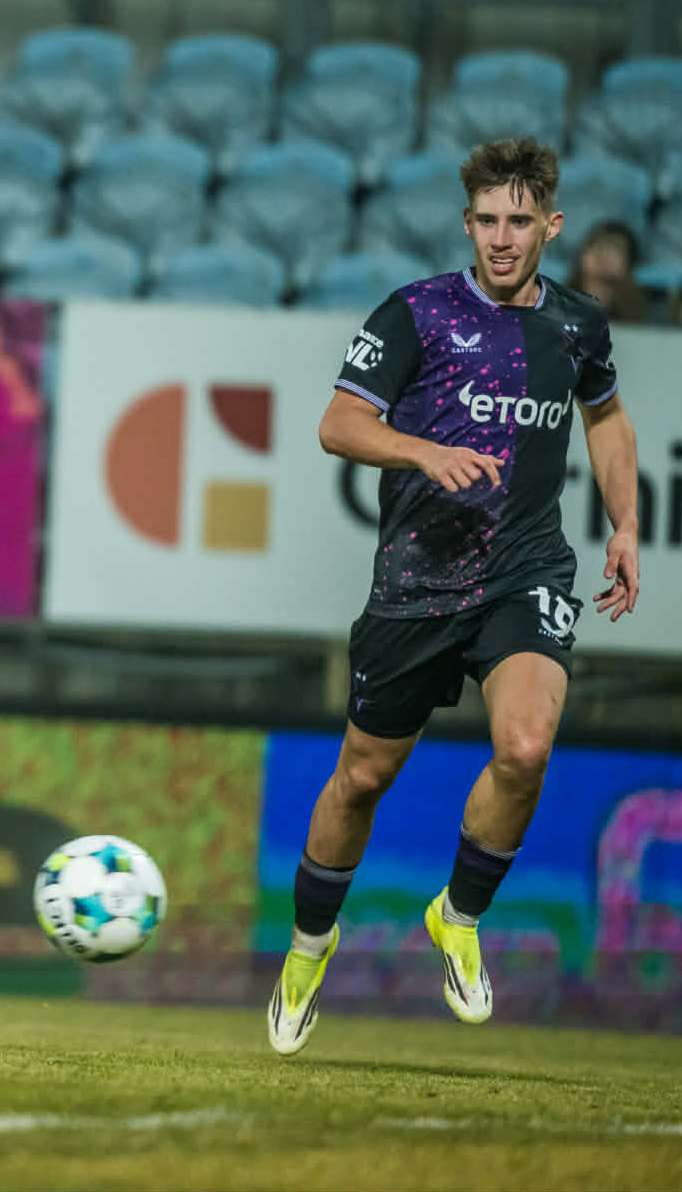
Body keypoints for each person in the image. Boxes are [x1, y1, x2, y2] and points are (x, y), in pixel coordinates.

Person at [268, 138, 641, 1056]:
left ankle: (459, 915)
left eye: (520, 221)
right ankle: (309, 946)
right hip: (416, 582)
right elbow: (338, 423)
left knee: (526, 746)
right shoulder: (417, 314)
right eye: (487, 221)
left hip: (525, 572)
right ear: (466, 224)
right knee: (362, 778)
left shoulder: (579, 325)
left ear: (550, 225)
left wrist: (626, 523)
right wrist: (422, 450)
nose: (502, 238)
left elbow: (606, 416)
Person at [564, 220, 647, 324]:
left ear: (628, 263)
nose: (603, 253)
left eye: (615, 248)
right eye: (596, 245)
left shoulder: (641, 313)